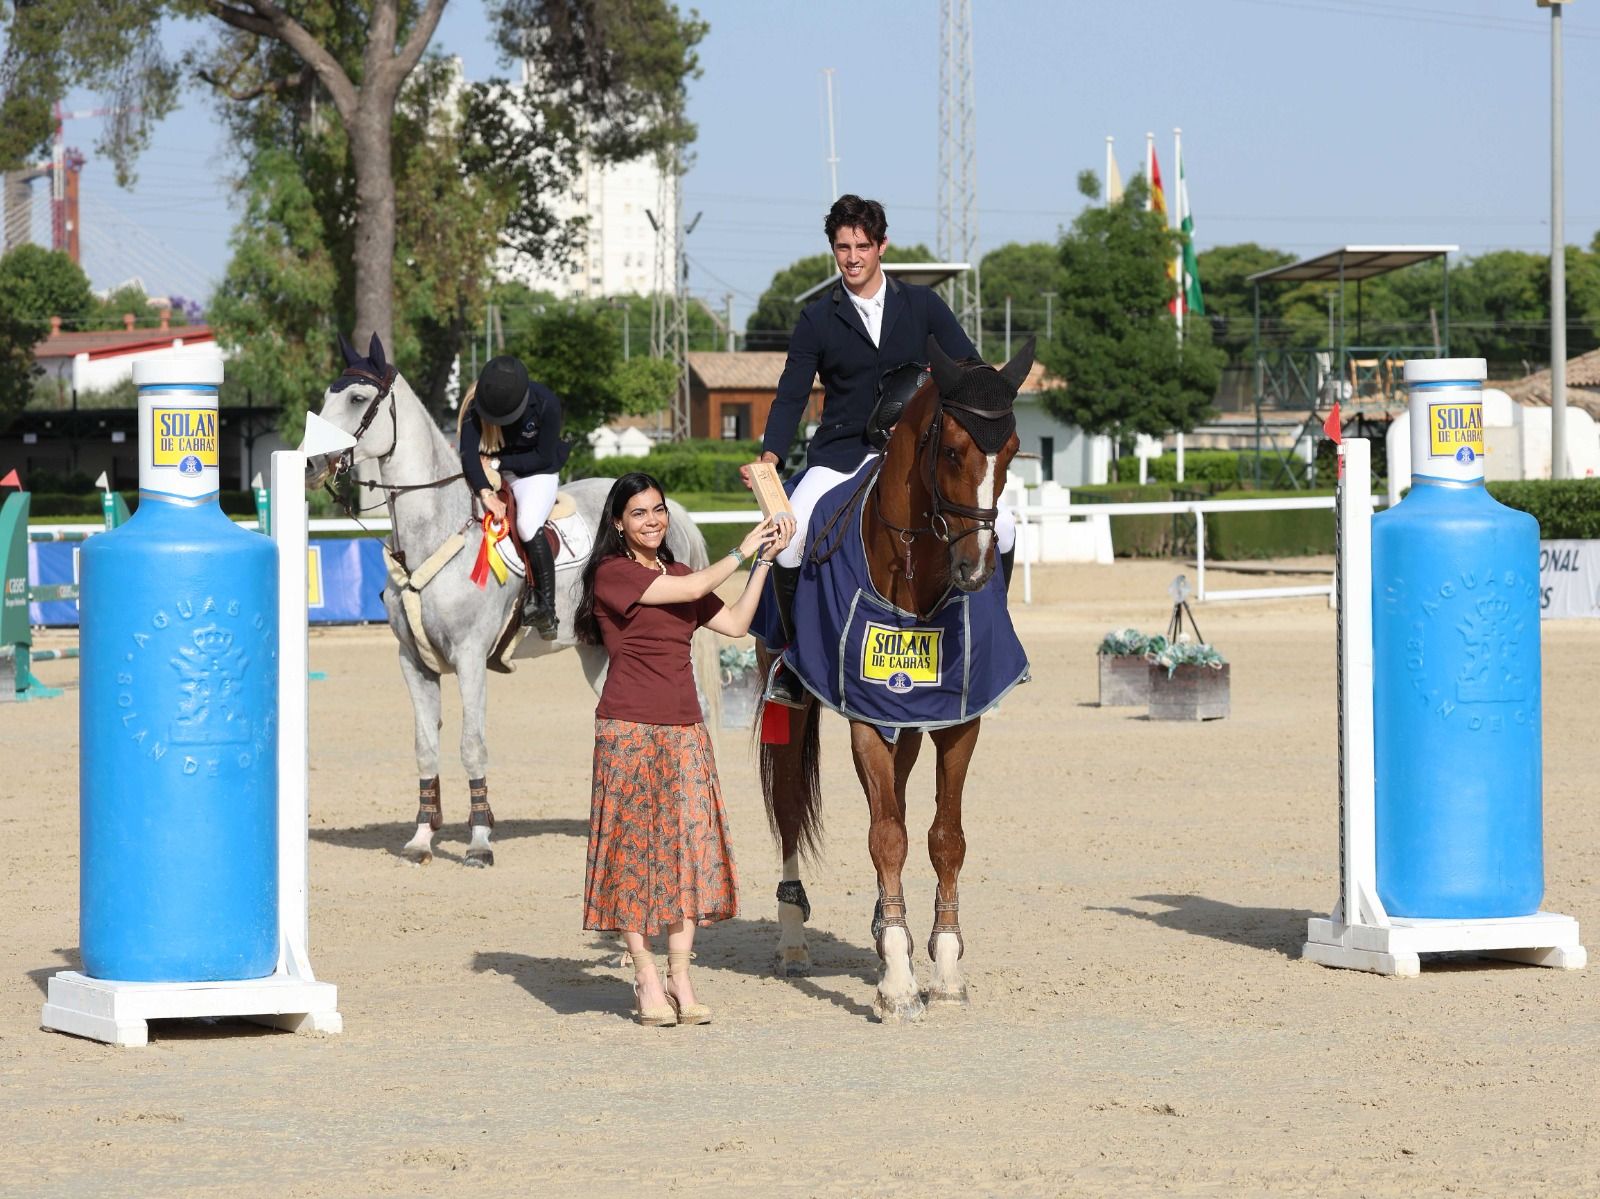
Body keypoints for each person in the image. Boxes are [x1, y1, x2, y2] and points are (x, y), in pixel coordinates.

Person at [741, 194, 1017, 705]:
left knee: (1006, 528)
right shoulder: (817, 318)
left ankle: (995, 634)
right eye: (842, 248)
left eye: (862, 247)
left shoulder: (923, 305)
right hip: (841, 454)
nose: (852, 258)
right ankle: (791, 658)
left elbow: (970, 369)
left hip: (916, 454)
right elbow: (791, 394)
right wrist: (770, 457)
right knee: (791, 541)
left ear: (882, 246)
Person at [574, 472, 790, 1026]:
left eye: (658, 510)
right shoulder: (611, 572)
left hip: (686, 730)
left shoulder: (679, 574)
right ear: (618, 522)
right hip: (628, 729)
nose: (652, 521)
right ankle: (646, 977)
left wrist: (765, 561)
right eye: (639, 513)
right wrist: (743, 548)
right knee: (630, 856)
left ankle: (680, 976)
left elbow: (736, 624)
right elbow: (694, 592)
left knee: (688, 852)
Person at [458, 355, 570, 639]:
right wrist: (485, 492)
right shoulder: (477, 405)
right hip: (490, 472)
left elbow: (542, 457)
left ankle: (545, 608)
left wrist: (498, 464)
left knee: (527, 525)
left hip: (537, 474)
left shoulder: (546, 403)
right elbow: (468, 455)